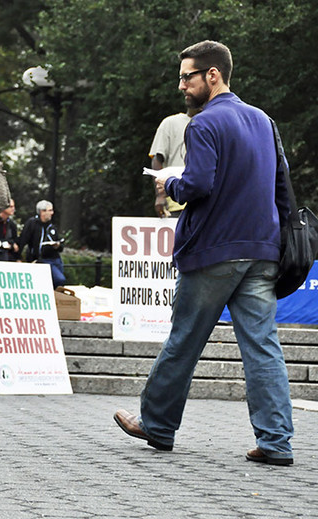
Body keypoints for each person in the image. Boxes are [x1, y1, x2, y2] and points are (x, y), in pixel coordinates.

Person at [114, 41, 294, 466]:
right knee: (263, 347)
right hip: (262, 250)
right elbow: (282, 187)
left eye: (187, 76)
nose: (181, 86)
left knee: (184, 340)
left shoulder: (204, 124)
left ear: (212, 75)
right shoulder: (263, 120)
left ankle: (156, 425)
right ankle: (276, 442)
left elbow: (197, 185)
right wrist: (279, 240)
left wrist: (168, 185)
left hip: (214, 250)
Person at [149, 108, 199, 217]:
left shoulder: (216, 124)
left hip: (206, 203)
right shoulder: (170, 123)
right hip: (176, 202)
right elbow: (157, 159)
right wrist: (160, 195)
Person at [18, 200, 66, 288]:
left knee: (60, 283)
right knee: (60, 279)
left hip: (55, 258)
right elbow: (23, 240)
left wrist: (58, 246)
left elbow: (60, 244)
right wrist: (18, 257)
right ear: (42, 212)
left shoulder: (52, 227)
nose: (52, 213)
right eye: (50, 210)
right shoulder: (32, 224)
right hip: (42, 259)